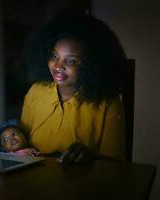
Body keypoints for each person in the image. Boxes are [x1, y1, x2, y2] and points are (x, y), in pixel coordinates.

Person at [21, 12, 127, 164]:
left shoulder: (107, 101)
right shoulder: (36, 91)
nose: (58, 66)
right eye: (54, 56)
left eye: (71, 61)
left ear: (91, 65)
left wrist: (92, 157)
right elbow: (21, 144)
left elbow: (116, 163)